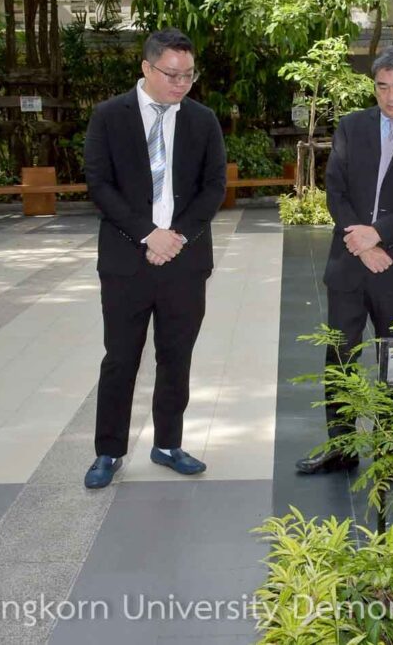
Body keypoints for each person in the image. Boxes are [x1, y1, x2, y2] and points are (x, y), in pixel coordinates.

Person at [295, 44, 393, 474]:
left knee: (392, 357)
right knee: (340, 355)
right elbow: (335, 190)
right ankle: (341, 447)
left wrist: (378, 234)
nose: (391, 96)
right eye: (382, 87)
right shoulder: (351, 127)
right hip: (350, 260)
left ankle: (389, 452)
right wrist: (363, 243)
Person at [83, 28, 226, 489]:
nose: (181, 84)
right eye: (171, 74)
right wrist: (148, 234)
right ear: (146, 68)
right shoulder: (109, 116)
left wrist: (176, 237)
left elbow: (214, 187)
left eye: (189, 75)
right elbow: (99, 184)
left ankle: (168, 443)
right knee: (120, 358)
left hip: (184, 261)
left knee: (176, 356)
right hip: (126, 261)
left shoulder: (203, 120)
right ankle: (108, 451)